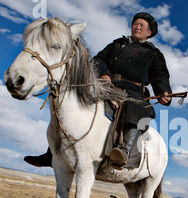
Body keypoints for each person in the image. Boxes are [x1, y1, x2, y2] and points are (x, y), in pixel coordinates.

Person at [24, 12, 172, 168]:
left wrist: (163, 92)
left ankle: (123, 151)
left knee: (137, 109)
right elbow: (98, 59)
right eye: (135, 24)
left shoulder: (153, 53)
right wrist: (104, 73)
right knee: (73, 102)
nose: (137, 27)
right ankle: (53, 153)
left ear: (149, 33)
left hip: (133, 90)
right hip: (106, 83)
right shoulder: (117, 45)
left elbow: (160, 75)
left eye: (142, 25)